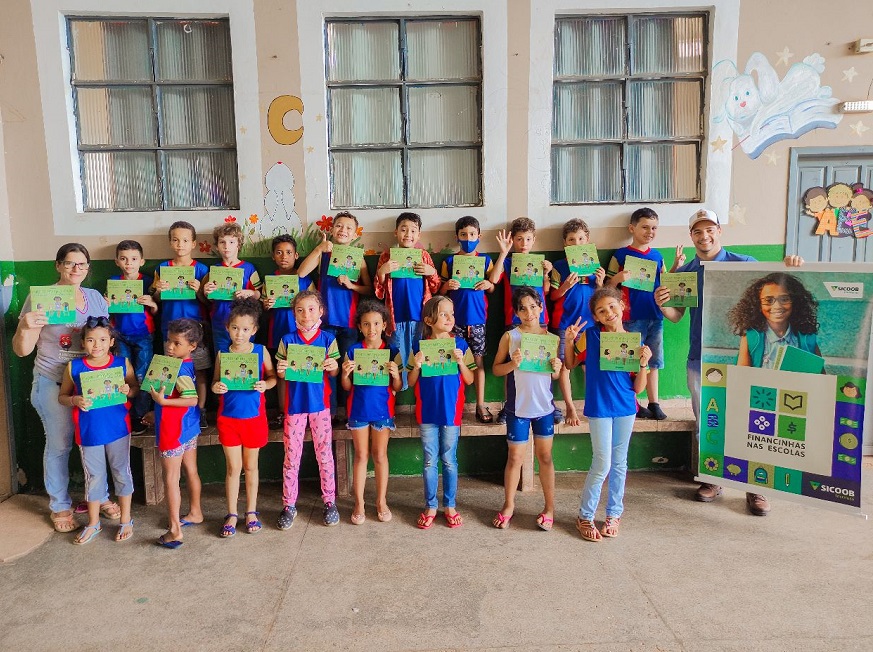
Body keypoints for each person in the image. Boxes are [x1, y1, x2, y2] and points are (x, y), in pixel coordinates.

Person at [656, 208, 802, 516]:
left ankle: (756, 487)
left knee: (753, 422)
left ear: (719, 231)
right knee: (708, 422)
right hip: (701, 360)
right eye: (698, 231)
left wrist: (790, 268)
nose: (704, 236)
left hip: (747, 360)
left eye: (710, 229)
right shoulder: (686, 273)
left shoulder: (744, 264)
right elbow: (676, 316)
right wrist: (663, 304)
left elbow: (778, 289)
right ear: (691, 236)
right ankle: (713, 478)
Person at [12, 243, 113, 533]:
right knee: (59, 445)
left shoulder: (95, 298)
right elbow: (21, 350)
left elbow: (104, 339)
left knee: (94, 442)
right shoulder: (40, 298)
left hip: (90, 384)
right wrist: (25, 327)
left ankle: (99, 496)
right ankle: (60, 504)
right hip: (52, 381)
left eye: (82, 264)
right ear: (58, 265)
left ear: (88, 267)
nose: (76, 269)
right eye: (69, 263)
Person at [564, 288, 652, 541]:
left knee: (620, 463)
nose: (609, 313)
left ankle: (614, 514)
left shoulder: (634, 341)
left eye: (612, 306)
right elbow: (570, 364)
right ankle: (585, 516)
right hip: (600, 407)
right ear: (596, 317)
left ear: (622, 306)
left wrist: (644, 363)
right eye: (601, 311)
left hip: (625, 407)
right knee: (602, 462)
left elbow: (638, 388)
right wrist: (569, 341)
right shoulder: (591, 336)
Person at [57, 316, 138, 544]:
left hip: (118, 429)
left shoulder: (122, 363)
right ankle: (93, 523)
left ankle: (126, 520)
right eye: (91, 340)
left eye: (103, 340)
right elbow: (62, 397)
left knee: (122, 472)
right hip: (89, 431)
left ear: (111, 342)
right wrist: (75, 400)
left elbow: (134, 388)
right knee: (94, 477)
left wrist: (128, 390)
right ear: (83, 342)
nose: (97, 345)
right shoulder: (74, 367)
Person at [491, 287, 562, 531]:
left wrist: (556, 367)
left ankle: (549, 508)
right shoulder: (510, 337)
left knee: (545, 457)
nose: (529, 312)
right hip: (518, 409)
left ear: (541, 307)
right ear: (516, 312)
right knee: (514, 458)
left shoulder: (551, 339)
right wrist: (513, 363)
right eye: (523, 308)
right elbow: (496, 369)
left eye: (533, 306)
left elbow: (554, 375)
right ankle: (508, 505)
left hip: (544, 409)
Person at [275, 290, 341, 529]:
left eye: (311, 309)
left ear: (321, 311)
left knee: (324, 455)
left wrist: (333, 365)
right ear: (294, 313)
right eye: (300, 310)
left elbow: (334, 372)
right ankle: (289, 505)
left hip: (320, 406)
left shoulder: (328, 339)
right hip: (294, 407)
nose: (306, 314)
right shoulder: (287, 340)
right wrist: (281, 370)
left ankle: (329, 501)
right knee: (291, 457)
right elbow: (282, 375)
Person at [297, 211, 372, 421]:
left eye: (348, 228)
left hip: (349, 324)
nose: (343, 230)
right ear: (331, 229)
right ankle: (328, 413)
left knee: (348, 368)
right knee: (327, 368)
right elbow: (301, 273)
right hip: (325, 324)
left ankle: (349, 412)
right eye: (339, 226)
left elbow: (369, 289)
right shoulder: (323, 254)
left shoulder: (358, 258)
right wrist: (319, 248)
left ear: (355, 234)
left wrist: (352, 285)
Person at [407, 296, 475, 529]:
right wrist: (416, 365)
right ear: (429, 320)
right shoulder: (419, 346)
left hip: (451, 412)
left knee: (449, 460)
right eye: (443, 314)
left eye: (451, 313)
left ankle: (450, 505)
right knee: (429, 461)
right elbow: (410, 380)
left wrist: (461, 363)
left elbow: (470, 378)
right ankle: (430, 505)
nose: (449, 318)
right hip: (427, 411)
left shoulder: (460, 345)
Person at [212, 298, 276, 538]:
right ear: (227, 327)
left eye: (245, 329)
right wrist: (216, 387)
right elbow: (215, 382)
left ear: (254, 330)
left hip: (254, 419)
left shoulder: (260, 351)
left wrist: (265, 385)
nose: (240, 334)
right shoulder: (222, 354)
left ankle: (251, 512)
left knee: (251, 467)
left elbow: (273, 377)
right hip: (228, 419)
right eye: (235, 328)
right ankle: (231, 513)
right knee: (233, 468)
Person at [340, 300, 402, 525]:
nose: (371, 328)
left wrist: (396, 375)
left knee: (380, 455)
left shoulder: (392, 351)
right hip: (358, 410)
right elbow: (347, 387)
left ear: (384, 325)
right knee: (360, 456)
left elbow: (397, 387)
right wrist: (345, 374)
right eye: (366, 324)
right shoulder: (352, 351)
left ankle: (381, 501)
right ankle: (359, 503)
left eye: (376, 323)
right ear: (359, 327)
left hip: (383, 411)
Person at [489, 217, 555, 424]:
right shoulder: (508, 262)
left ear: (534, 240)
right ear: (513, 240)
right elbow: (493, 279)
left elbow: (546, 291)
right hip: (514, 319)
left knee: (543, 363)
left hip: (540, 320)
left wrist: (546, 273)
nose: (523, 243)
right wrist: (503, 252)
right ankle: (509, 405)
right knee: (513, 364)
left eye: (527, 239)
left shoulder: (540, 262)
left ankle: (549, 403)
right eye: (519, 239)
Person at [147, 318, 204, 548]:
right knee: (191, 470)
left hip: (173, 429)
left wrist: (163, 403)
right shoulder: (185, 363)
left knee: (171, 479)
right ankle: (195, 512)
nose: (170, 347)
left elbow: (192, 399)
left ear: (192, 346)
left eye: (177, 343)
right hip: (188, 426)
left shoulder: (178, 368)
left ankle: (174, 530)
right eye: (168, 341)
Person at [606, 207, 667, 420]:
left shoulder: (658, 256)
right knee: (631, 360)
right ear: (632, 228)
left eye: (654, 228)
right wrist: (618, 278)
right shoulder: (621, 255)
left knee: (654, 361)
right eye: (645, 227)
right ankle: (632, 402)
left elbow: (665, 282)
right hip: (630, 318)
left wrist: (675, 268)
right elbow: (607, 286)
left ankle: (654, 402)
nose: (650, 232)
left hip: (655, 316)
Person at [151, 221, 211, 428]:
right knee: (172, 370)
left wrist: (199, 291)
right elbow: (156, 301)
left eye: (185, 240)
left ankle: (201, 410)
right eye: (175, 240)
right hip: (170, 330)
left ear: (193, 243)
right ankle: (175, 409)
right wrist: (159, 291)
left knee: (199, 370)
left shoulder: (201, 269)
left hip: (196, 330)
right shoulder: (162, 268)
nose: (180, 244)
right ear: (170, 242)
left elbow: (209, 302)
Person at [374, 212, 442, 390]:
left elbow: (435, 286)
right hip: (394, 315)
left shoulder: (424, 256)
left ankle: (419, 388)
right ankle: (398, 388)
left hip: (420, 315)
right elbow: (379, 291)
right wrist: (382, 272)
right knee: (396, 351)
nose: (408, 234)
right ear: (396, 232)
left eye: (413, 231)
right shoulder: (387, 256)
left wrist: (431, 272)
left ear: (419, 235)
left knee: (419, 350)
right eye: (403, 229)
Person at [439, 216, 496, 423]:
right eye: (463, 235)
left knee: (478, 362)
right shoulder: (449, 262)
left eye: (472, 234)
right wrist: (447, 286)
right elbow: (441, 290)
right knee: (455, 361)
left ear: (479, 236)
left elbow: (493, 287)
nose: (468, 238)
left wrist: (488, 285)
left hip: (478, 320)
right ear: (457, 237)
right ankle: (455, 403)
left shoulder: (486, 260)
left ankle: (480, 404)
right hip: (454, 323)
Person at [549, 218, 605, 426]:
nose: (576, 243)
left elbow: (601, 297)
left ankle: (595, 405)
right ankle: (570, 407)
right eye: (571, 240)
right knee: (565, 366)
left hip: (590, 325)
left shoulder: (595, 266)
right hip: (566, 324)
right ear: (565, 243)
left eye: (581, 239)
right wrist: (565, 286)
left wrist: (600, 282)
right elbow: (553, 296)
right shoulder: (559, 266)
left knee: (590, 366)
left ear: (587, 240)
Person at [109, 240, 158, 435]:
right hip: (120, 335)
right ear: (117, 261)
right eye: (124, 259)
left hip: (144, 335)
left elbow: (156, 311)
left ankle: (140, 416)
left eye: (134, 259)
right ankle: (124, 414)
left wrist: (152, 303)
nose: (129, 263)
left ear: (142, 261)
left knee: (143, 375)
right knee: (123, 375)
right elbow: (109, 311)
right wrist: (106, 304)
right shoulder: (114, 281)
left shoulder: (148, 282)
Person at [263, 234, 313, 428]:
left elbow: (316, 302)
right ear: (273, 256)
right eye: (279, 252)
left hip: (303, 334)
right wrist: (266, 304)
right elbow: (263, 306)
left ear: (296, 255)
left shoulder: (304, 279)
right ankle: (283, 412)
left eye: (289, 252)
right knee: (282, 373)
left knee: (302, 373)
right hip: (278, 333)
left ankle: (306, 412)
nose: (284, 256)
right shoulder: (270, 280)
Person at [729, 273, 821, 368]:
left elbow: (820, 374)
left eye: (784, 299)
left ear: (796, 302)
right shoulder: (751, 337)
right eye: (768, 300)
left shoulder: (807, 337)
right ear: (758, 304)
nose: (777, 306)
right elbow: (742, 374)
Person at [201, 222, 262, 354]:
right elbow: (210, 300)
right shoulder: (214, 270)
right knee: (221, 355)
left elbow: (260, 294)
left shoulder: (249, 268)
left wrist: (250, 292)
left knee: (244, 355)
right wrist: (206, 292)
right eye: (222, 242)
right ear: (217, 246)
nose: (226, 246)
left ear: (238, 245)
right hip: (220, 320)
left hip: (244, 323)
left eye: (231, 242)